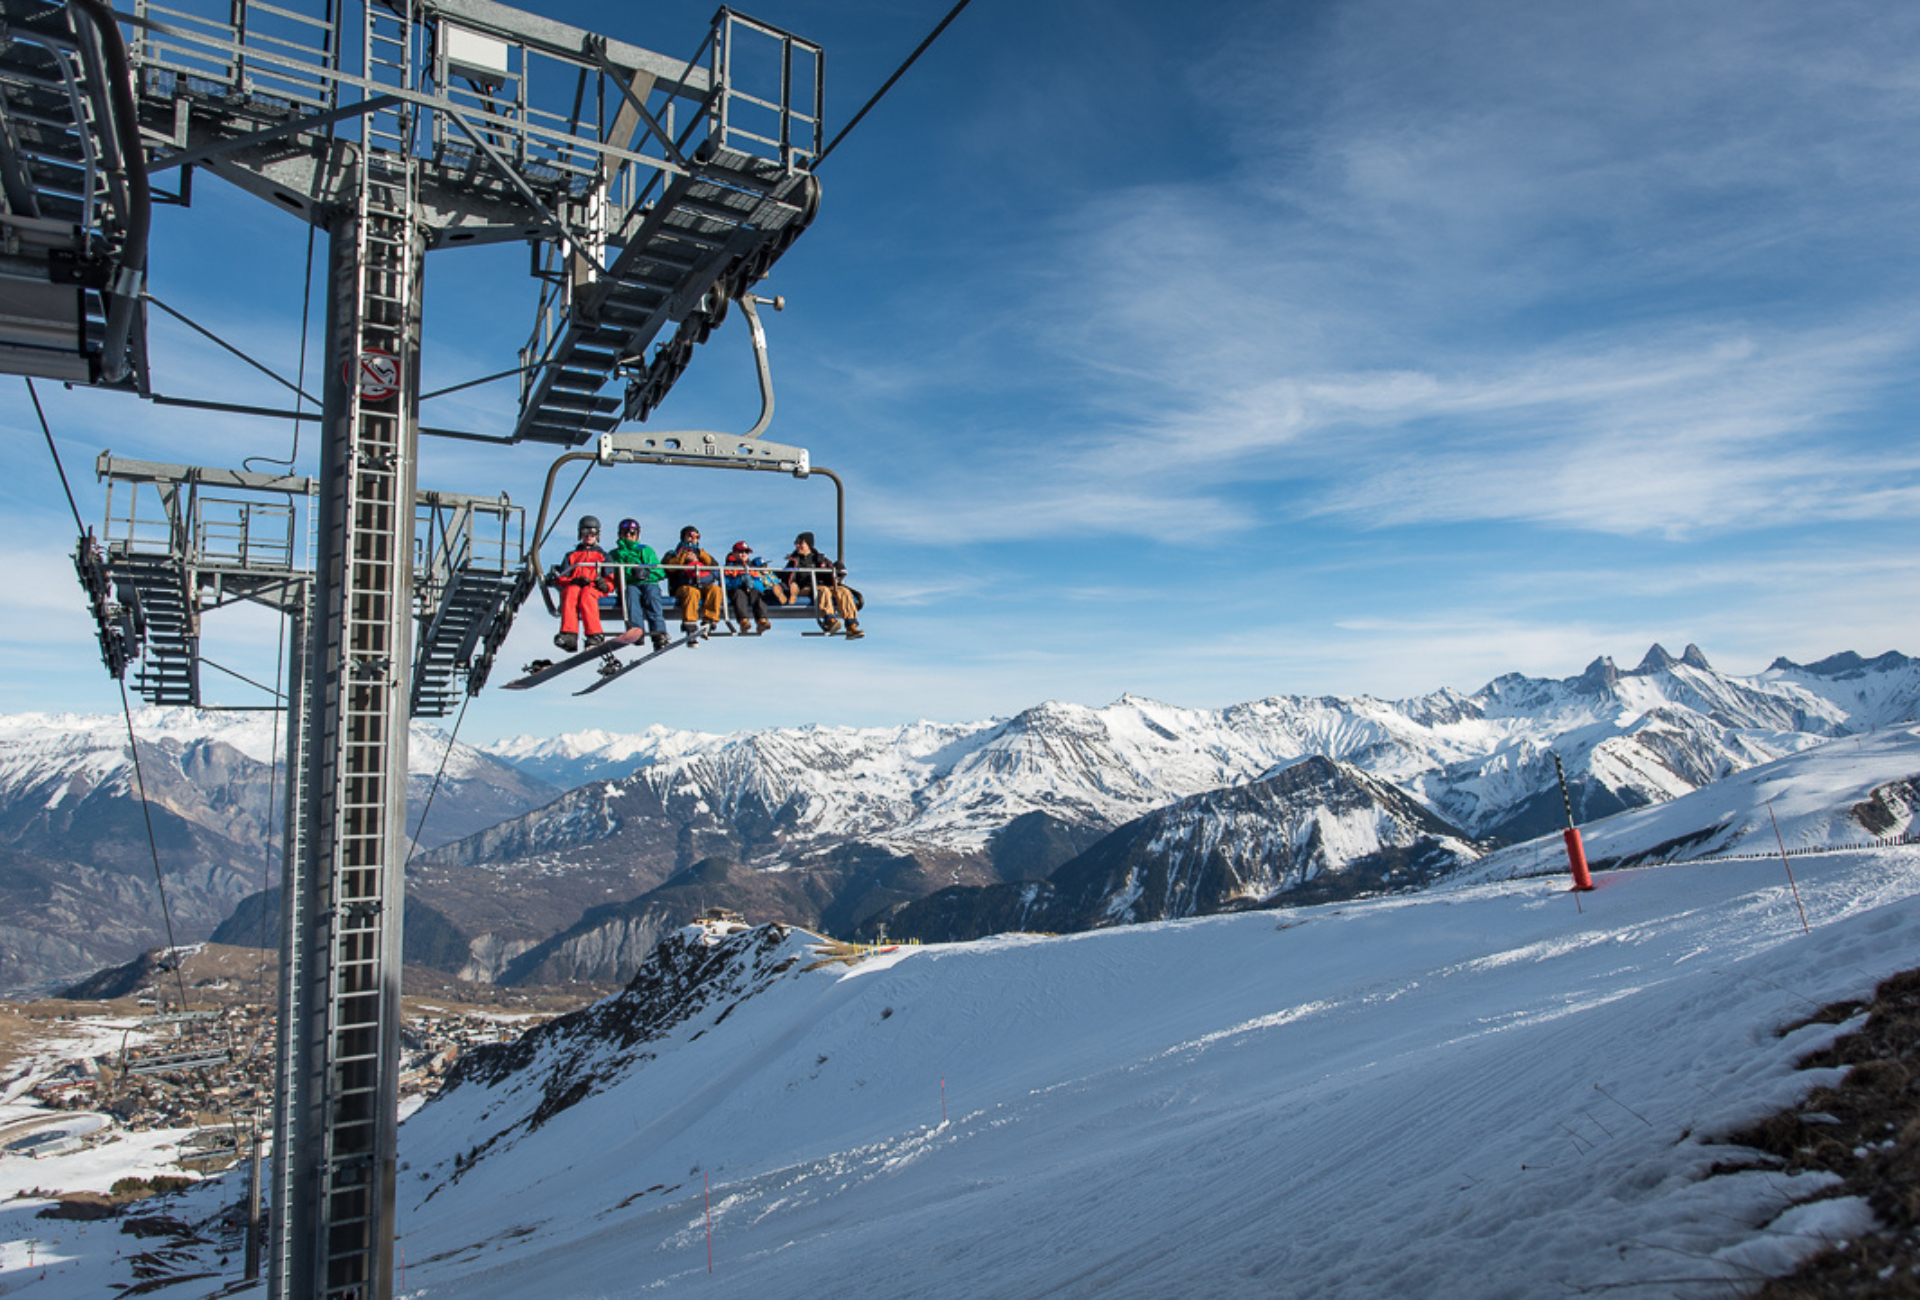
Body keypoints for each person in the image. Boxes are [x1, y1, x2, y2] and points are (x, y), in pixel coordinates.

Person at [782, 530, 863, 639]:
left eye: (800, 543)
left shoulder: (819, 559)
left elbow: (830, 571)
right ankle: (829, 620)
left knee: (843, 591)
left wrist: (835, 572)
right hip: (804, 588)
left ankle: (851, 625)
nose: (797, 545)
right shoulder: (794, 561)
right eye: (796, 543)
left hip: (821, 585)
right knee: (822, 590)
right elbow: (787, 578)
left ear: (808, 544)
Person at [549, 515, 610, 652]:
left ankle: (594, 634)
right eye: (585, 532)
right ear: (580, 534)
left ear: (597, 535)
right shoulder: (571, 555)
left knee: (587, 594)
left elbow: (611, 577)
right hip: (575, 586)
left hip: (594, 588)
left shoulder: (603, 556)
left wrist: (605, 584)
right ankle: (569, 634)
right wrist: (572, 581)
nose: (589, 536)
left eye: (592, 533)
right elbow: (562, 578)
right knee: (570, 592)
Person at [610, 519, 670, 651]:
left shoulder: (645, 550)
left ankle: (659, 633)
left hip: (648, 583)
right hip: (630, 584)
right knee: (631, 597)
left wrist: (646, 573)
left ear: (637, 535)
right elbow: (612, 574)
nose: (628, 536)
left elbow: (659, 571)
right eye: (625, 533)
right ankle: (637, 632)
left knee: (652, 598)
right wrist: (629, 574)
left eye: (632, 533)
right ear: (620, 534)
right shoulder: (615, 554)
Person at [662, 525, 723, 638]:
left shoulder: (701, 554)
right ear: (683, 537)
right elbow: (666, 567)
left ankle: (709, 620)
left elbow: (714, 565)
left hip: (702, 584)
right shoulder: (673, 553)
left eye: (696, 536)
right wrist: (683, 558)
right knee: (691, 592)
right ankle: (690, 625)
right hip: (682, 586)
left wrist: (700, 556)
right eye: (690, 535)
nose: (693, 538)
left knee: (715, 589)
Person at [723, 541, 774, 634]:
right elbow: (726, 583)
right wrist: (740, 581)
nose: (744, 554)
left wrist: (752, 583)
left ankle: (761, 620)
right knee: (739, 594)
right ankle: (743, 621)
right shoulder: (729, 567)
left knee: (757, 594)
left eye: (746, 552)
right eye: (740, 552)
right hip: (736, 590)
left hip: (751, 590)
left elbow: (760, 582)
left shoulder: (753, 567)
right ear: (734, 553)